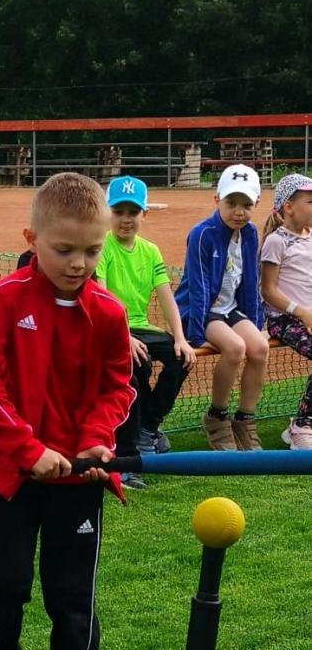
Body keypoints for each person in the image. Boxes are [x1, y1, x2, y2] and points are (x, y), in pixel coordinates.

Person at [0, 173, 134, 650]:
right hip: (12, 476)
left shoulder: (109, 314)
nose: (79, 263)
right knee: (7, 583)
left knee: (71, 593)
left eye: (92, 250)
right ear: (32, 238)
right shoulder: (6, 299)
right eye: (65, 249)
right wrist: (29, 450)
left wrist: (93, 441)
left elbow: (117, 386)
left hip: (79, 481)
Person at [96, 176, 196, 490]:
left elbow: (166, 296)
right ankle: (127, 461)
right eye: (119, 211)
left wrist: (179, 337)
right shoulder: (102, 247)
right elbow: (99, 298)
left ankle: (147, 428)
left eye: (133, 212)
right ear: (108, 214)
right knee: (133, 375)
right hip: (112, 329)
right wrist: (122, 337)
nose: (126, 219)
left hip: (142, 328)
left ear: (144, 214)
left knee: (181, 358)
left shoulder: (150, 251)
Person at [174, 163, 269, 451]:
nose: (238, 211)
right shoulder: (202, 234)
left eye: (246, 205)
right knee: (235, 348)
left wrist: (255, 323)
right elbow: (200, 286)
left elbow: (252, 280)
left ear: (256, 205)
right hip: (202, 312)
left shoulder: (251, 233)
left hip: (231, 310)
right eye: (231, 203)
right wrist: (196, 332)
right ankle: (216, 417)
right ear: (217, 200)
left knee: (260, 349)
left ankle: (245, 419)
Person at [259, 173, 312, 449]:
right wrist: (301, 312)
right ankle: (301, 426)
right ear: (289, 207)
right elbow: (268, 290)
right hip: (285, 320)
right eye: (311, 201)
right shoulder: (276, 242)